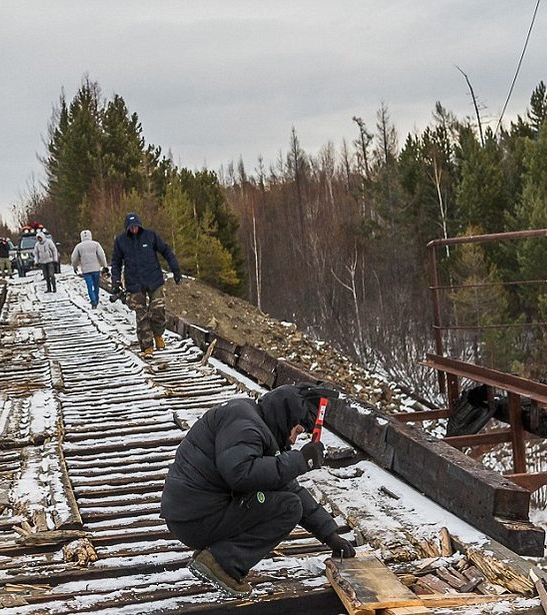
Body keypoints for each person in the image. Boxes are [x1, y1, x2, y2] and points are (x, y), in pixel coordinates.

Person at [160, 383, 356, 596]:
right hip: (196, 518)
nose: (293, 440)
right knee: (288, 507)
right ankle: (222, 564)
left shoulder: (251, 421)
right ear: (286, 417)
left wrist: (329, 535)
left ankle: (217, 554)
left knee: (286, 498)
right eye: (297, 431)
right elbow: (240, 474)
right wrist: (299, 461)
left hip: (192, 514)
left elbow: (287, 485)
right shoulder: (245, 425)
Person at [110, 212, 181, 356]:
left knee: (158, 310)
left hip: (153, 279)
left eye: (136, 226)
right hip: (134, 282)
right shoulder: (121, 241)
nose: (134, 229)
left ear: (140, 226)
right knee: (141, 315)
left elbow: (166, 251)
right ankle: (147, 346)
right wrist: (116, 280)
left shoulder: (150, 236)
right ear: (127, 228)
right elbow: (116, 262)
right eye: (131, 227)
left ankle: (158, 334)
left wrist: (176, 269)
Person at [71, 229, 108, 308]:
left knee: (89, 286)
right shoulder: (96, 244)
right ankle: (96, 298)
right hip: (96, 269)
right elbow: (102, 255)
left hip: (86, 270)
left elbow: (74, 258)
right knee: (96, 285)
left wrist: (75, 267)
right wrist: (105, 265)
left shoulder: (79, 246)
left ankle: (93, 301)